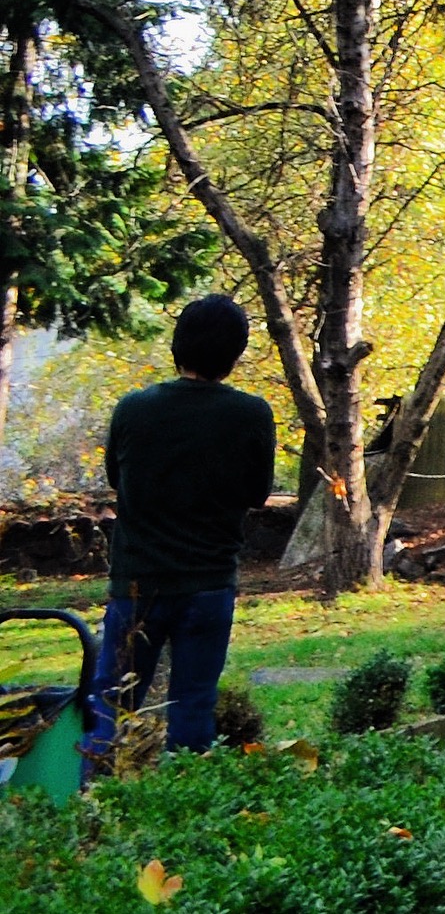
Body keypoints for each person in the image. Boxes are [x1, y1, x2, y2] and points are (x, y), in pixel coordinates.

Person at [86, 294, 277, 762]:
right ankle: (185, 804)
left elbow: (117, 477)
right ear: (235, 353)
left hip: (137, 582)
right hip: (209, 581)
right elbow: (257, 494)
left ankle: (92, 803)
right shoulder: (251, 414)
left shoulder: (133, 409)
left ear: (179, 346)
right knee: (194, 705)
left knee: (113, 704)